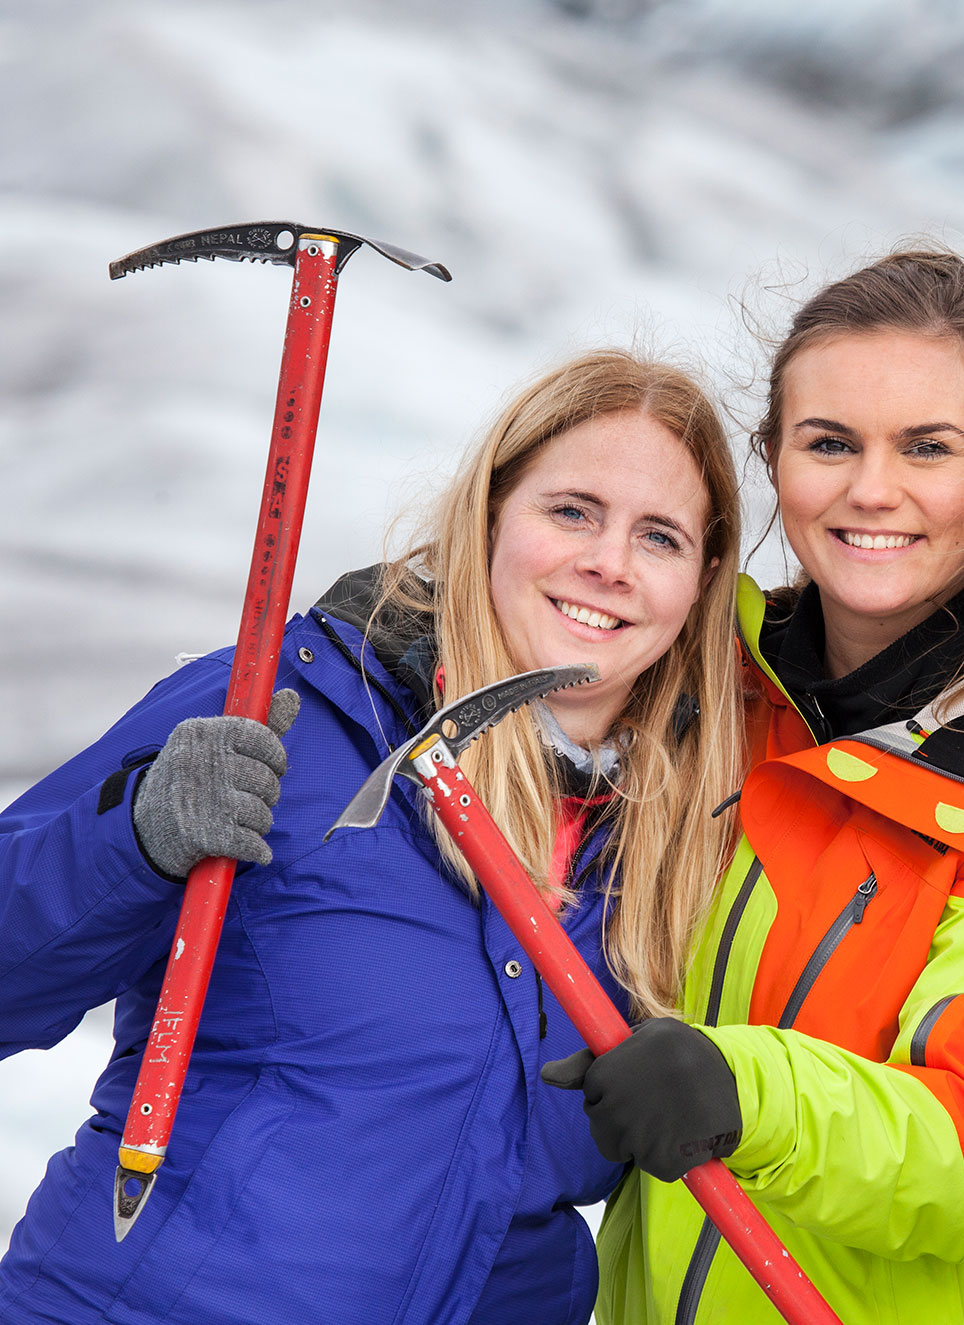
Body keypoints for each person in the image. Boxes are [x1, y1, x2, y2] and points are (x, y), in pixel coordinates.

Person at [0, 349, 745, 1325]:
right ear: (489, 516)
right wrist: (132, 838)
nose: (609, 561)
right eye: (572, 510)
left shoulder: (687, 840)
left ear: (702, 582)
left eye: (659, 536)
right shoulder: (283, 709)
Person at [563, 250, 964, 1323]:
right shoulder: (707, 683)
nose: (872, 489)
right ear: (771, 457)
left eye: (927, 447)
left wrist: (744, 1093)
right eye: (829, 443)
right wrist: (393, 638)